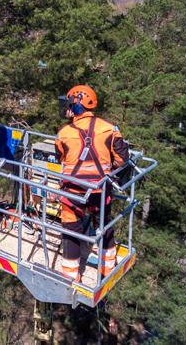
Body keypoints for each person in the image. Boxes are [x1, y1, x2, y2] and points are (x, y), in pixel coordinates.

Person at [55, 85, 129, 281]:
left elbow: (61, 158)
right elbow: (122, 159)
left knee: (71, 231)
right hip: (100, 190)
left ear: (76, 107)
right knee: (104, 225)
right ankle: (107, 267)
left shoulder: (63, 133)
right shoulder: (109, 129)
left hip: (72, 192)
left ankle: (72, 276)